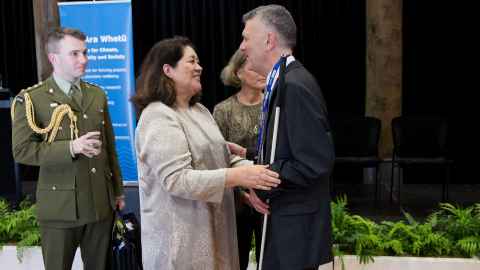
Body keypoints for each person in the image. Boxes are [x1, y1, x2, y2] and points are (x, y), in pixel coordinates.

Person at [131, 36, 281, 270]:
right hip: (181, 245)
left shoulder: (199, 110)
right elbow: (176, 180)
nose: (199, 67)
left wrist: (246, 184)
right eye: (191, 61)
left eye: (198, 61)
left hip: (215, 233)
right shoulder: (158, 116)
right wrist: (239, 177)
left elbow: (223, 157)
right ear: (168, 69)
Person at [11, 27, 125, 270]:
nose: (83, 59)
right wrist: (70, 147)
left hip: (99, 204)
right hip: (60, 208)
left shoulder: (97, 94)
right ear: (54, 58)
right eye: (74, 54)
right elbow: (22, 151)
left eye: (85, 53)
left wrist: (117, 191)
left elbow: (109, 147)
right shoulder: (31, 99)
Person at [239, 5, 335, 270]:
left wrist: (260, 180)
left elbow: (314, 162)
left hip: (293, 235)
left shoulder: (294, 86)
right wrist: (248, 155)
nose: (242, 47)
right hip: (286, 225)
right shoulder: (282, 81)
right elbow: (289, 147)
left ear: (269, 40)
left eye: (247, 38)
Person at [213, 49, 265, 270]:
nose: (262, 72)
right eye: (255, 67)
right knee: (237, 261)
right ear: (239, 72)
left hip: (270, 199)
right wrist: (243, 196)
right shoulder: (223, 111)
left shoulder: (274, 106)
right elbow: (217, 160)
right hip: (236, 202)